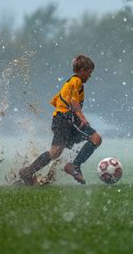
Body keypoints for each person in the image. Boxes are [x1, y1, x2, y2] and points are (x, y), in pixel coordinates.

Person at [19, 54, 102, 185]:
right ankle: (74, 166)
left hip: (60, 118)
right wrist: (82, 117)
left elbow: (56, 100)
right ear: (82, 71)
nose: (90, 76)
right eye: (89, 73)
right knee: (96, 138)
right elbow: (74, 102)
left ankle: (28, 172)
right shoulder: (77, 81)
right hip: (67, 118)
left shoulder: (69, 82)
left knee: (55, 152)